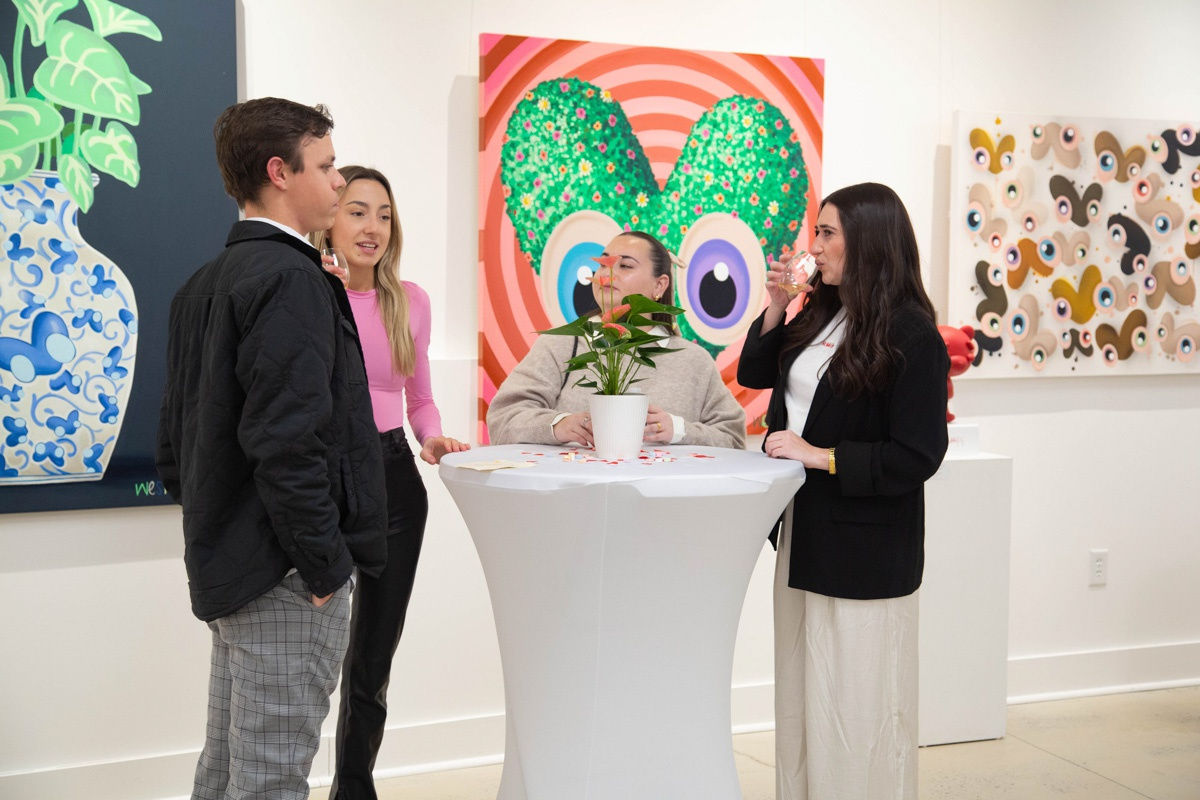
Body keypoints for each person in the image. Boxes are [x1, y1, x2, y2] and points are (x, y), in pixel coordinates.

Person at [156, 98, 388, 800]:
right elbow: (288, 442)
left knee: (227, 772)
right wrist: (322, 567)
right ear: (280, 172)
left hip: (236, 567)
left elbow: (175, 447)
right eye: (326, 165)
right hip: (284, 576)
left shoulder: (203, 285)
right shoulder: (290, 280)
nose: (340, 181)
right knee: (268, 782)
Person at [737, 183, 948, 800]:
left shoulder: (912, 333)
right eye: (818, 231)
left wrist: (819, 455)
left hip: (865, 550)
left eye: (827, 233)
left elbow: (918, 455)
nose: (815, 245)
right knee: (801, 699)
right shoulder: (822, 311)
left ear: (869, 241)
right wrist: (777, 306)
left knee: (856, 711)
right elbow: (755, 372)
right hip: (804, 535)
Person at [311, 165, 469, 799]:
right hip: (325, 481)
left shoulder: (412, 301)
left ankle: (354, 789)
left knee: (373, 657)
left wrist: (432, 437)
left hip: (395, 478)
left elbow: (418, 399)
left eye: (383, 214)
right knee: (311, 649)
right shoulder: (311, 294)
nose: (371, 227)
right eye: (356, 211)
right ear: (330, 219)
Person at [487, 230, 746, 449]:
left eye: (625, 266)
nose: (607, 273)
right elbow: (503, 418)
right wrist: (558, 425)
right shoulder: (562, 345)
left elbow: (733, 439)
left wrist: (678, 430)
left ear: (659, 285)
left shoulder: (693, 360)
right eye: (603, 264)